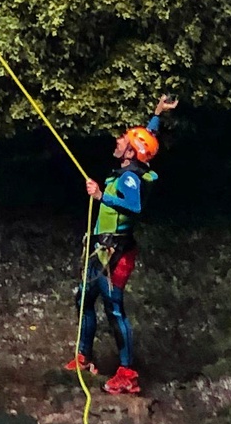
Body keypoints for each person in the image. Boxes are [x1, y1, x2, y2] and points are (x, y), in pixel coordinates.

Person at [69, 94, 177, 396]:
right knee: (84, 299)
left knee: (114, 309)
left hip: (116, 254)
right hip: (101, 250)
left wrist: (103, 196)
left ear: (131, 151)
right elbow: (147, 137)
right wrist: (157, 114)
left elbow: (135, 207)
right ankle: (83, 357)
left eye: (124, 140)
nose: (118, 141)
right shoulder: (131, 167)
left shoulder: (130, 179)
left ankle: (127, 373)